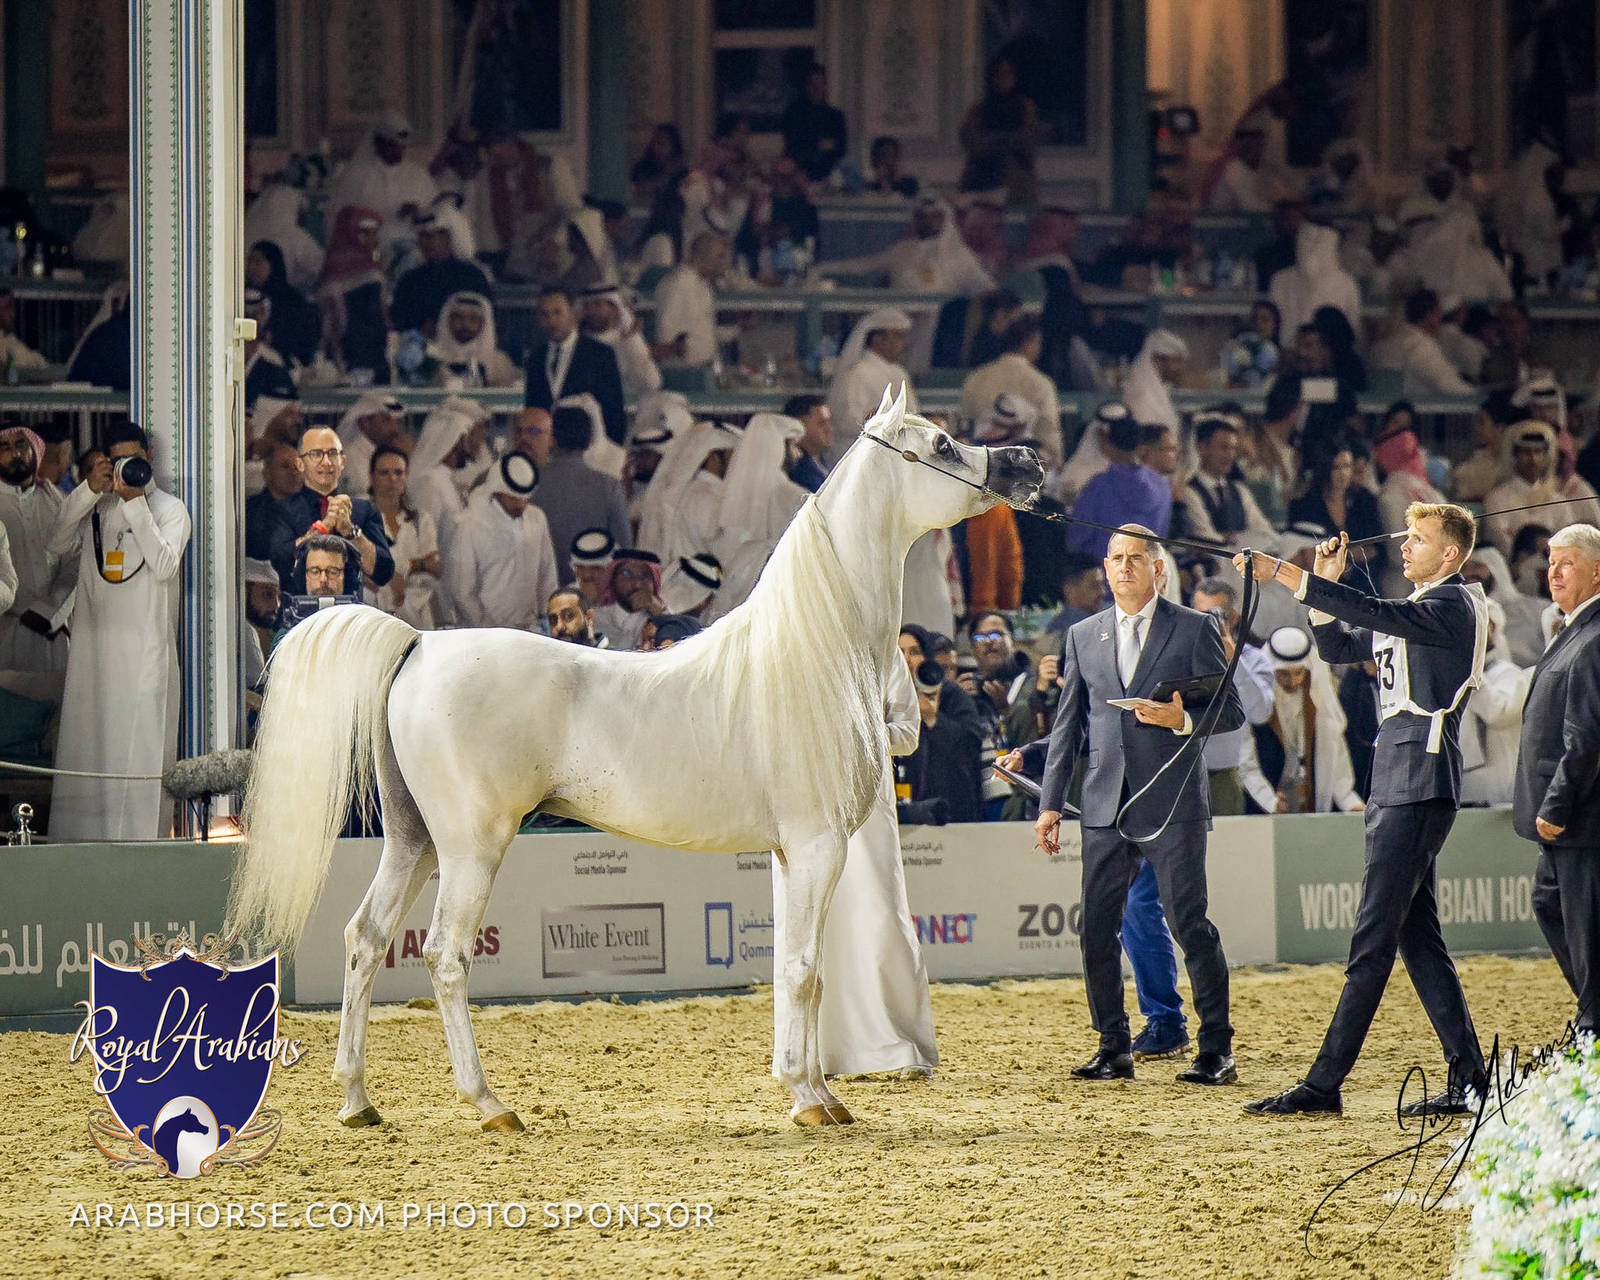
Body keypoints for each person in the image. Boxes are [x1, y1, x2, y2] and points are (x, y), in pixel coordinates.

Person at [1237, 504, 1491, 1116]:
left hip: (1417, 778)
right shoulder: (1421, 610)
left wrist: (1294, 577)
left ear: (1450, 555)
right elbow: (1336, 644)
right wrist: (1323, 590)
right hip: (1399, 779)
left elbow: (1376, 613)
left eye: (1419, 539)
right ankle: (1471, 1077)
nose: (1405, 547)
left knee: (1373, 939)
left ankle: (1325, 1083)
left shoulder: (1450, 605)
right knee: (1414, 936)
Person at [1023, 525, 1242, 1086]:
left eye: (1136, 559)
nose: (1124, 567)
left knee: (1188, 923)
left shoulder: (1195, 627)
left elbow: (1233, 710)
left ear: (1157, 568)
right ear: (1105, 566)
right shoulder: (1083, 635)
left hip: (1171, 800)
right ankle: (1113, 1045)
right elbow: (1070, 724)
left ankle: (1216, 1049)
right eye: (1116, 558)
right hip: (1102, 802)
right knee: (1096, 928)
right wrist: (1050, 803)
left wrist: (1183, 719)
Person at [772, 644, 938, 1079]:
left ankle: (903, 1045)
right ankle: (815, 1053)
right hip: (803, 805)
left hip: (867, 804)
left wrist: (854, 733)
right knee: (810, 931)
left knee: (882, 916)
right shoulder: (789, 648)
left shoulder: (883, 653)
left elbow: (908, 732)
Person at [47, 425, 191, 841]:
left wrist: (135, 505)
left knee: (140, 761)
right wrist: (90, 492)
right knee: (87, 753)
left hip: (145, 661)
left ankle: (139, 852)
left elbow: (164, 566)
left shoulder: (170, 509)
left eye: (135, 459)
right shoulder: (96, 506)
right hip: (94, 660)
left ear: (149, 455)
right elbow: (56, 545)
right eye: (118, 461)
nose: (127, 468)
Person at [1513, 523, 1600, 1035]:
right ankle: (1594, 1014)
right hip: (1570, 813)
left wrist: (1556, 805)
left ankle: (1594, 1023)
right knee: (1551, 903)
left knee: (1585, 926)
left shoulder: (1592, 637)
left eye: (1567, 562)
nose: (1554, 571)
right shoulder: (1574, 629)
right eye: (1550, 561)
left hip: (1580, 814)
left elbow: (1586, 736)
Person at [817, 198, 995, 370]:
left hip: (934, 330)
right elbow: (863, 266)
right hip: (895, 322)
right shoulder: (902, 250)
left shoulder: (959, 256)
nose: (927, 221)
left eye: (934, 216)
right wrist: (821, 268)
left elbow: (987, 288)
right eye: (922, 217)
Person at [1242, 626, 1365, 815]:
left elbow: (1334, 757)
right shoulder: (1256, 704)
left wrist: (1350, 802)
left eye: (1298, 673)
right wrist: (1268, 800)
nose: (1292, 682)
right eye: (1283, 674)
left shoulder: (1317, 704)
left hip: (1307, 801)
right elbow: (1246, 763)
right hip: (1265, 807)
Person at [259, 426, 393, 596]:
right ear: (300, 464)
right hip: (297, 614)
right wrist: (322, 529)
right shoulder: (280, 510)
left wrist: (351, 532)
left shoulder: (364, 510)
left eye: (332, 453)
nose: (326, 462)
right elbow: (278, 563)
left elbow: (383, 573)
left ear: (342, 461)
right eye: (316, 454)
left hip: (349, 613)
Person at [1191, 578, 1275, 818]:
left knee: (1228, 847)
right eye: (1201, 616)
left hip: (1226, 769)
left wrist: (1233, 661)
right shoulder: (1179, 654)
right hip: (1184, 767)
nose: (1208, 624)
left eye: (1216, 616)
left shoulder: (1254, 659)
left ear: (1234, 618)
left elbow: (1260, 713)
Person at [445, 453, 559, 631]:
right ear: (496, 491)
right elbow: (462, 592)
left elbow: (547, 576)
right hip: (485, 635)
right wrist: (492, 630)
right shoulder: (469, 526)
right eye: (513, 498)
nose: (521, 505)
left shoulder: (537, 518)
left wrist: (548, 621)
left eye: (525, 498)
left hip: (532, 631)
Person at [530, 403, 633, 584]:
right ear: (588, 441)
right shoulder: (609, 487)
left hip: (538, 592)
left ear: (552, 438)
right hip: (592, 595)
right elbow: (623, 552)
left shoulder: (531, 485)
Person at [0, 423, 72, 672]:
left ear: (35, 450)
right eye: (4, 447)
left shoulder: (58, 502)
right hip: (3, 627)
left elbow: (74, 563)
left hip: (49, 628)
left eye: (21, 445)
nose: (15, 453)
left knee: (54, 704)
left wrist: (50, 608)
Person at [323, 113, 437, 258]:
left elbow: (435, 213)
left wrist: (417, 212)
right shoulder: (356, 176)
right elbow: (337, 217)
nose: (397, 150)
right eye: (391, 144)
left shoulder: (418, 175)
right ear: (378, 143)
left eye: (400, 146)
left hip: (413, 248)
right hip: (367, 251)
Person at [523, 285, 626, 445]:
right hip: (548, 451)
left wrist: (610, 451)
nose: (551, 320)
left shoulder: (599, 354)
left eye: (557, 312)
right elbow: (533, 409)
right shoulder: (536, 358)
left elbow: (613, 410)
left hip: (591, 449)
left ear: (573, 314)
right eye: (544, 314)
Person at [957, 316, 1063, 472]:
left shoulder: (977, 378)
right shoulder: (1041, 383)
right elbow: (1048, 434)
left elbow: (964, 428)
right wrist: (1057, 463)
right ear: (1029, 344)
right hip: (1025, 472)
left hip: (981, 468)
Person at [1483, 420, 1600, 559]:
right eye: (1526, 452)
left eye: (1538, 452)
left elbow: (1569, 544)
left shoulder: (1558, 501)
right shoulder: (1497, 499)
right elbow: (1503, 545)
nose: (1533, 459)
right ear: (1514, 455)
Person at [1067, 411, 1171, 559]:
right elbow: (1162, 535)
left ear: (1107, 443)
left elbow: (1078, 538)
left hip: (1105, 575)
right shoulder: (1161, 485)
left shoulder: (1099, 486)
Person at [1459, 598, 1528, 807]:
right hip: (1463, 789)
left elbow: (1499, 714)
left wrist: (1466, 668)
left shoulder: (1508, 673)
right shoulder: (1451, 677)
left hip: (1499, 790)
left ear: (1492, 627)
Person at [1287, 441, 1386, 586]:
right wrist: (1347, 555)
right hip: (1321, 578)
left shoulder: (1365, 500)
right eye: (1336, 467)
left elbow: (1379, 546)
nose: (1342, 474)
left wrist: (1354, 557)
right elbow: (1301, 547)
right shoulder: (1305, 505)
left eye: (1346, 466)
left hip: (1363, 577)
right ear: (1325, 469)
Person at [825, 309, 919, 460]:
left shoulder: (900, 373)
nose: (904, 344)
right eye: (898, 337)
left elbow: (913, 413)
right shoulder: (857, 373)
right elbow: (846, 422)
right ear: (878, 339)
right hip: (860, 454)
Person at [364, 446, 441, 629]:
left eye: (398, 472)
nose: (392, 479)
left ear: (406, 476)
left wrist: (407, 567)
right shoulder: (360, 519)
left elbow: (435, 568)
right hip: (375, 613)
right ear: (372, 476)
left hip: (418, 613)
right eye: (384, 473)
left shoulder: (421, 520)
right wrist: (416, 564)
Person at [903, 652, 984, 824]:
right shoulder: (887, 696)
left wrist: (932, 718)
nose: (908, 658)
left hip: (953, 811)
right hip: (903, 808)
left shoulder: (952, 695)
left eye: (915, 651)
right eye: (900, 652)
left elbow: (970, 744)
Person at [390, 205, 493, 335]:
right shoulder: (409, 280)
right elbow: (399, 321)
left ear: (447, 237)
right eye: (422, 236)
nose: (426, 242)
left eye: (431, 236)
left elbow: (485, 319)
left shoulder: (471, 276)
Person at [316, 206, 390, 383]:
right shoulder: (363, 274)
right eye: (366, 233)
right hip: (348, 353)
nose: (373, 239)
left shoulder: (373, 269)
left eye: (374, 233)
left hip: (371, 354)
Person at [1182, 414, 1275, 549]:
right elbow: (1205, 536)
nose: (1230, 455)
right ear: (1202, 448)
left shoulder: (1239, 491)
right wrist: (1240, 539)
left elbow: (1263, 529)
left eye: (1233, 448)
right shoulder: (1190, 491)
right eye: (1224, 447)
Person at [957, 56, 1037, 204]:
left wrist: (994, 140)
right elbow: (971, 140)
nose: (1002, 79)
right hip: (979, 181)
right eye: (998, 74)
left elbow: (1025, 140)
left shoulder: (1024, 108)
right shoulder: (979, 110)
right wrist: (1002, 140)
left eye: (1007, 73)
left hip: (1014, 185)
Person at [1269, 222, 1361, 346]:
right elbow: (1273, 325)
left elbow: (1353, 330)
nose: (1312, 252)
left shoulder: (1347, 284)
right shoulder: (1280, 280)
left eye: (1319, 246)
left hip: (1330, 357)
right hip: (1289, 354)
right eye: (1307, 243)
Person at [1369, 289, 1474, 397]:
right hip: (1413, 410)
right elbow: (1448, 385)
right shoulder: (1419, 346)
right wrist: (1479, 398)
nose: (1441, 318)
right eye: (1438, 313)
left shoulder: (1383, 344)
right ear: (1430, 315)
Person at [652, 232, 729, 370]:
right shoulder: (678, 283)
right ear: (707, 256)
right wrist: (679, 351)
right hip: (682, 370)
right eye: (720, 256)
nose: (723, 262)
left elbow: (703, 328)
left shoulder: (704, 285)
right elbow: (666, 330)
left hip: (703, 367)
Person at [245, 240, 322, 368]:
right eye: (249, 262)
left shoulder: (291, 300)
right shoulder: (241, 297)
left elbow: (303, 340)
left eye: (258, 262)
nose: (251, 268)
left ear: (273, 264)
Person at [580, 283, 662, 400]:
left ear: (615, 309)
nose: (591, 311)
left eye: (597, 305)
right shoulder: (579, 344)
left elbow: (652, 383)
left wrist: (631, 342)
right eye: (587, 307)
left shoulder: (629, 340)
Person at [429, 291, 519, 388]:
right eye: (458, 317)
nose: (465, 324)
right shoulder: (431, 357)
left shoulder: (499, 361)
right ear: (448, 320)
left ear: (483, 324)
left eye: (473, 319)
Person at [781, 63, 848, 183]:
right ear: (807, 86)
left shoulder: (836, 116)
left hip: (829, 176)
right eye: (813, 84)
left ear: (825, 85)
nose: (817, 88)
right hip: (799, 176)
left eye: (821, 84)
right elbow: (793, 147)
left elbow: (840, 149)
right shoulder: (794, 114)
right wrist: (819, 145)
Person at [592, 548, 666, 651]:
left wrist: (660, 614)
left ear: (654, 582)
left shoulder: (663, 620)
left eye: (645, 576)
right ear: (613, 580)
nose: (637, 584)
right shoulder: (595, 620)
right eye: (626, 574)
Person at [335, 392, 407, 496]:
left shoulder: (386, 451)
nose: (395, 429)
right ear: (365, 422)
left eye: (397, 422)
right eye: (386, 421)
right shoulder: (351, 457)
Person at [782, 394, 831, 493]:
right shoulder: (798, 471)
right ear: (799, 427)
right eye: (821, 423)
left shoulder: (821, 460)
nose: (829, 429)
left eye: (829, 422)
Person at [1046, 553, 1104, 635]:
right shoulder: (1074, 629)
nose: (1102, 592)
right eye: (1093, 586)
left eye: (1102, 584)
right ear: (1070, 590)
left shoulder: (1055, 626)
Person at [630, 123, 686, 205]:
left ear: (673, 147)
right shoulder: (641, 168)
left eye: (661, 144)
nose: (656, 148)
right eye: (654, 143)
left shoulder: (682, 173)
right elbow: (639, 191)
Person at [567, 528, 615, 609]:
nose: (586, 575)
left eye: (595, 568)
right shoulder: (564, 597)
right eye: (580, 567)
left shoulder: (625, 603)